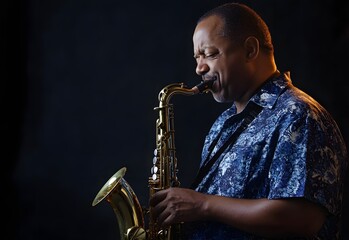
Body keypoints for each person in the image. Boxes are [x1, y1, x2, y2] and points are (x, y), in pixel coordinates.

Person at [149, 3, 348, 239]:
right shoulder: (223, 124)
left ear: (250, 50)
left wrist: (202, 204)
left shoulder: (299, 115)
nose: (199, 68)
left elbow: (302, 218)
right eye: (197, 57)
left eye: (210, 54)